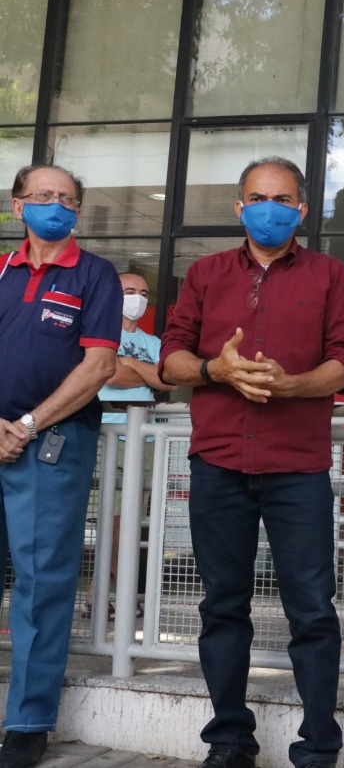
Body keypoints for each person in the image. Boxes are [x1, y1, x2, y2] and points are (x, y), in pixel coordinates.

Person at [159, 157, 344, 768]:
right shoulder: (205, 273)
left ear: (302, 210)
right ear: (238, 206)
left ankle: (319, 748)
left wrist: (292, 384)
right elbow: (171, 358)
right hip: (218, 461)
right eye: (256, 196)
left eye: (281, 198)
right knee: (222, 605)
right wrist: (215, 370)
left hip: (297, 467)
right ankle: (228, 739)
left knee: (312, 608)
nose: (268, 208)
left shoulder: (329, 275)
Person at [0, 164, 121, 768]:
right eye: (43, 196)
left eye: (67, 199)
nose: (56, 205)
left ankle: (26, 720)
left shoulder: (95, 276)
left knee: (42, 584)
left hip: (51, 445)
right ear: (18, 206)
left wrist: (25, 425)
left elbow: (98, 366)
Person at [98, 272, 176, 615]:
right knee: (110, 519)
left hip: (143, 438)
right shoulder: (99, 333)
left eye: (143, 292)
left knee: (130, 522)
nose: (138, 298)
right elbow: (109, 375)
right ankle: (106, 594)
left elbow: (167, 379)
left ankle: (111, 596)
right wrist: (142, 371)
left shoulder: (153, 341)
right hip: (108, 434)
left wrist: (128, 362)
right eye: (130, 291)